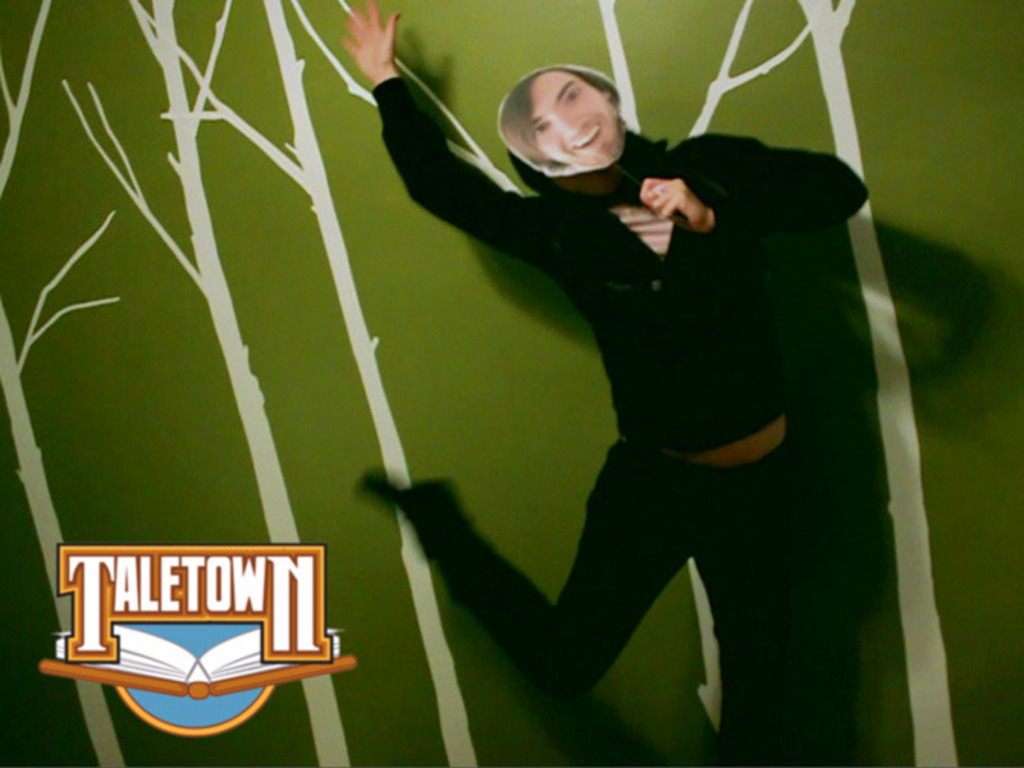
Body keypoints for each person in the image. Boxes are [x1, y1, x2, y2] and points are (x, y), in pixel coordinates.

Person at [344, 2, 868, 764]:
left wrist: (712, 214)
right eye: (544, 124)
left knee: (759, 718)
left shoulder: (709, 165)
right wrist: (386, 82)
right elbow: (441, 187)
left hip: (761, 492)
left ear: (606, 102)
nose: (570, 122)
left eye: (573, 97)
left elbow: (838, 190)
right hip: (656, 485)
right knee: (565, 665)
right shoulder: (561, 235)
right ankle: (442, 527)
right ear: (535, 155)